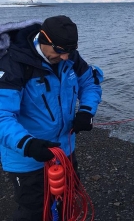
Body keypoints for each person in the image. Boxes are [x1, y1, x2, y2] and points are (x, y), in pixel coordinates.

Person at [0, 15, 103, 220]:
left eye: (69, 51)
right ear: (42, 39)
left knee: (67, 202)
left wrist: (86, 111)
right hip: (28, 158)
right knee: (34, 212)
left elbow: (90, 83)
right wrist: (28, 144)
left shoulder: (70, 56)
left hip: (64, 151)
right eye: (59, 51)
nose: (65, 57)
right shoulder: (14, 64)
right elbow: (2, 116)